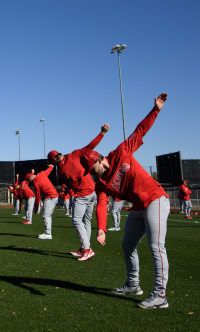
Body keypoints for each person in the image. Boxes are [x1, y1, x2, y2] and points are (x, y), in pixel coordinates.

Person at [83, 93, 170, 309]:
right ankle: (133, 284)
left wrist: (155, 109)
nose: (92, 175)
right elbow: (101, 203)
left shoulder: (121, 152)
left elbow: (140, 131)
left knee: (156, 247)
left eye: (92, 169)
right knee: (127, 244)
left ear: (100, 159)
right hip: (138, 207)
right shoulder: (101, 182)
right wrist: (101, 228)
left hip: (155, 199)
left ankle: (160, 295)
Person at [48, 122, 110, 261]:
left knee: (76, 220)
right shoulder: (74, 154)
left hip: (82, 195)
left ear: (54, 160)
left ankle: (87, 249)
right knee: (86, 221)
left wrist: (71, 191)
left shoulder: (60, 171)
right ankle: (84, 248)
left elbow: (67, 186)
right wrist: (102, 133)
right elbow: (91, 146)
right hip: (92, 191)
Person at [29, 164, 59, 239]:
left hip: (50, 197)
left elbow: (38, 197)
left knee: (46, 215)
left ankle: (48, 233)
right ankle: (48, 232)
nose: (30, 181)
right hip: (54, 196)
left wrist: (35, 209)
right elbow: (48, 171)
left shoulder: (36, 183)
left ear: (31, 177)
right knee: (46, 215)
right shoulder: (41, 174)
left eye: (30, 179)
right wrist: (51, 166)